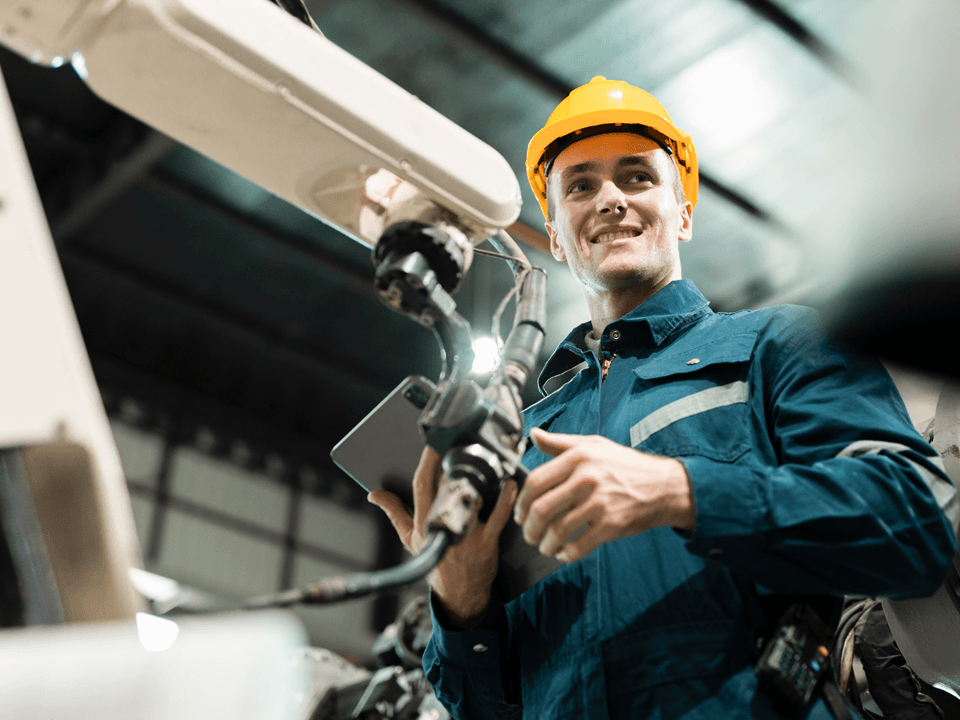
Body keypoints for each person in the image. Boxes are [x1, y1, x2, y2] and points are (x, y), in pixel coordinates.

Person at [369, 76, 959, 719]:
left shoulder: (781, 344)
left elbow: (915, 525)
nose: (610, 200)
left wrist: (680, 492)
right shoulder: (522, 442)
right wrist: (460, 601)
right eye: (580, 186)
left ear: (682, 210)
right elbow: (485, 710)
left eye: (637, 177)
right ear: (556, 231)